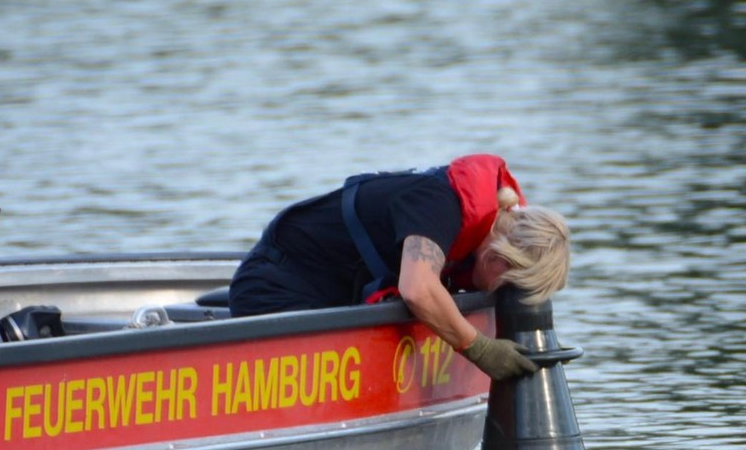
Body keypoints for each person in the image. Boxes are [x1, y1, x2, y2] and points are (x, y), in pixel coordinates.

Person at [228, 154, 570, 381]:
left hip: (332, 293)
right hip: (275, 287)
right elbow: (418, 288)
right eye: (509, 286)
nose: (500, 294)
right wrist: (479, 348)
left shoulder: (490, 231)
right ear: (499, 260)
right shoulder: (441, 206)